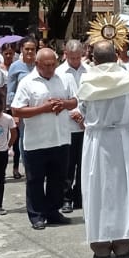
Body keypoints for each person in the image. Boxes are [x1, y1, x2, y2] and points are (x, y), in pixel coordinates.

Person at [76, 41, 129, 258]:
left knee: (97, 189)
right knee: (123, 189)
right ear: (116, 57)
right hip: (123, 140)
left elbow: (83, 109)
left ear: (94, 59)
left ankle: (100, 247)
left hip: (97, 140)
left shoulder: (87, 79)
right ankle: (123, 243)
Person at [12, 48, 76, 230]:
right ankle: (37, 215)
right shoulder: (27, 82)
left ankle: (53, 211)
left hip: (60, 138)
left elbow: (75, 101)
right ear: (37, 64)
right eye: (46, 65)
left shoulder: (64, 78)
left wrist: (63, 104)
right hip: (36, 141)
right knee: (35, 180)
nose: (50, 69)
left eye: (53, 65)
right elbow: (17, 110)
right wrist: (43, 108)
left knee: (58, 178)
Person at [55, 40, 89, 213]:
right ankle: (66, 197)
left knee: (83, 164)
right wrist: (73, 112)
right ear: (65, 54)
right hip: (67, 125)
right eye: (72, 58)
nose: (76, 61)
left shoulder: (88, 71)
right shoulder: (59, 73)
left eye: (78, 57)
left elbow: (91, 95)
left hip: (85, 125)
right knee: (68, 165)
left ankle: (80, 195)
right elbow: (57, 98)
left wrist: (83, 115)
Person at [7, 44, 36, 179]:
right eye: (27, 49)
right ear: (21, 50)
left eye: (32, 49)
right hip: (22, 109)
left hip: (39, 108)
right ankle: (28, 167)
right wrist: (15, 113)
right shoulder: (15, 67)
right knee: (24, 138)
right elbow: (11, 91)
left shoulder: (39, 64)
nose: (30, 51)